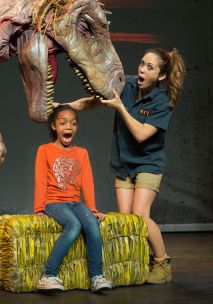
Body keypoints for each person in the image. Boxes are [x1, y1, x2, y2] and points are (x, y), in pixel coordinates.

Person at [66, 47, 185, 285]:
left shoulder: (164, 102)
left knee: (140, 215)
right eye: (142, 63)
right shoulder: (127, 84)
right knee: (126, 219)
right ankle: (138, 262)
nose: (141, 69)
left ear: (161, 76)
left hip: (148, 164)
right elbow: (93, 102)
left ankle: (162, 261)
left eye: (149, 67)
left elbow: (141, 134)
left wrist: (120, 107)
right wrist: (62, 106)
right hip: (123, 163)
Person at [33, 105, 112, 293]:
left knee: (91, 223)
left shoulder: (82, 153)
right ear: (54, 126)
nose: (68, 127)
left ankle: (96, 276)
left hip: (75, 202)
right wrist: (39, 209)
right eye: (63, 123)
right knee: (74, 225)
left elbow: (88, 182)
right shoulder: (44, 150)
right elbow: (40, 179)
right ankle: (48, 275)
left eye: (73, 123)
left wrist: (92, 209)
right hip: (54, 202)